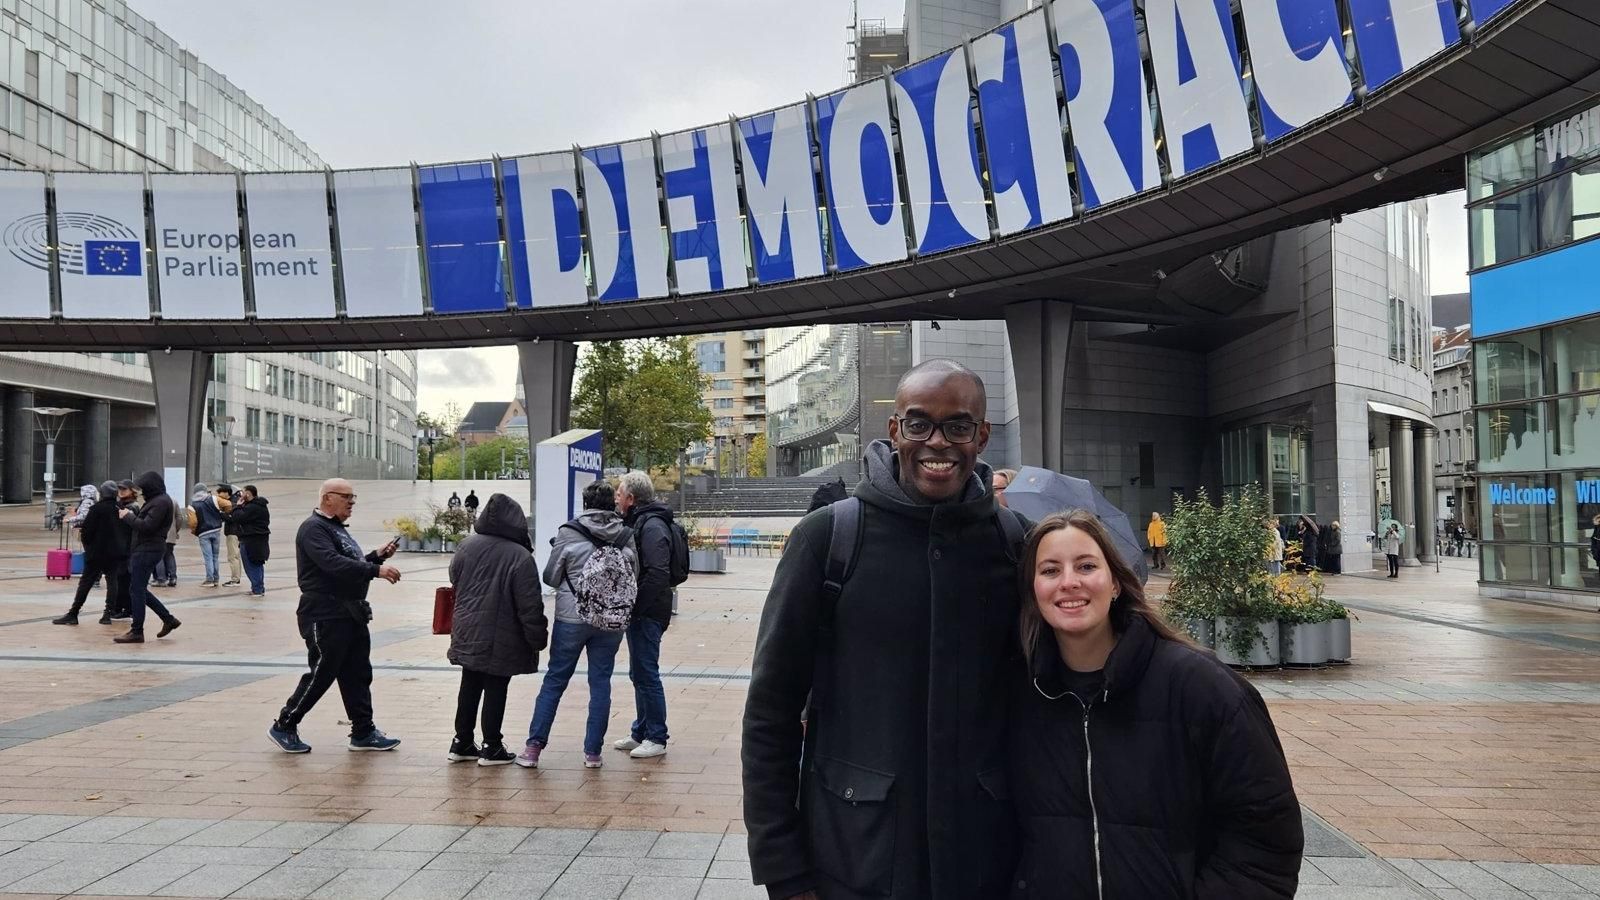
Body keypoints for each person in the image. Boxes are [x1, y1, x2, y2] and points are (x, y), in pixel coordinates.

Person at [744, 359, 1025, 900]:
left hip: (986, 859)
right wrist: (782, 866)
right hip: (854, 858)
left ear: (982, 436)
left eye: (958, 426)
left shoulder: (1016, 545)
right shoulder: (827, 539)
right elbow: (771, 711)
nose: (937, 442)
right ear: (895, 430)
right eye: (919, 424)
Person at [1009, 510, 1303, 898]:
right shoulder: (1021, 695)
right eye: (1049, 570)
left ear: (1115, 582)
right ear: (1032, 590)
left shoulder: (1201, 688)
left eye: (1086, 566)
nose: (1069, 582)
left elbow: (1264, 838)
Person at [267, 478, 403, 754]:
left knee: (357, 673)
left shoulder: (335, 529)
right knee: (322, 672)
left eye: (354, 497)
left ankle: (363, 731)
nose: (352, 502)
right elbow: (331, 564)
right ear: (328, 498)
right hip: (324, 613)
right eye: (347, 497)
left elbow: (349, 564)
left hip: (349, 612)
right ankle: (285, 724)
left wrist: (375, 557)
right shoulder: (313, 529)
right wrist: (374, 571)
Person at [520, 480, 637, 770]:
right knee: (600, 683)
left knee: (555, 680)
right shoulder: (625, 534)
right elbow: (633, 575)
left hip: (571, 618)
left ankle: (533, 749)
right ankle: (593, 753)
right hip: (612, 620)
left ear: (585, 504)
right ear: (612, 504)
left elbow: (550, 576)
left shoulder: (568, 532)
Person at [446, 493, 548, 766]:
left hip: (467, 628)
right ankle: (492, 745)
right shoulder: (520, 556)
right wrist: (538, 637)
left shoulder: (466, 546)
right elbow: (530, 605)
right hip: (503, 633)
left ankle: (461, 741)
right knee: (496, 686)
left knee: (469, 683)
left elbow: (455, 579)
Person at [614, 470, 674, 759]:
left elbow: (658, 572)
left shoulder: (651, 526)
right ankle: (641, 730)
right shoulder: (641, 521)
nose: (616, 497)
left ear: (631, 498)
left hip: (648, 611)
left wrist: (636, 606)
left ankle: (657, 736)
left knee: (647, 673)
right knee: (638, 671)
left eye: (619, 492)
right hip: (643, 610)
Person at [114, 471, 181, 643]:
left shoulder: (160, 502)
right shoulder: (157, 500)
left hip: (148, 549)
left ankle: (137, 631)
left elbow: (147, 526)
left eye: (144, 488)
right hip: (145, 549)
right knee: (138, 589)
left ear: (152, 487)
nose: (142, 492)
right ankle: (168, 619)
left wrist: (128, 517)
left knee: (136, 590)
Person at [54, 482, 123, 626]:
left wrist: (90, 547)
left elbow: (86, 531)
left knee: (86, 582)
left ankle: (73, 613)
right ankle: (108, 614)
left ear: (102, 493)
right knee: (112, 581)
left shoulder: (96, 509)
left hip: (96, 553)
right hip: (115, 553)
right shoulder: (120, 509)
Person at [232, 485, 271, 596]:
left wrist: (238, 506)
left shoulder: (251, 507)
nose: (241, 494)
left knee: (251, 565)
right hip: (259, 539)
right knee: (258, 563)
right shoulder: (261, 505)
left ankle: (257, 589)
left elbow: (237, 517)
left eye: (243, 492)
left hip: (251, 540)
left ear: (248, 494)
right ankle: (258, 588)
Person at [190, 483, 225, 587]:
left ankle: (209, 579)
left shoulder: (193, 504)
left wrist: (194, 531)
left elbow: (192, 522)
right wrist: (222, 516)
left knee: (208, 557)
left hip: (203, 532)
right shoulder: (213, 499)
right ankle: (216, 579)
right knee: (215, 557)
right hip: (216, 530)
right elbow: (228, 505)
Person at [219, 483, 243, 586]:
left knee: (233, 556)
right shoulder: (234, 501)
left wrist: (220, 513)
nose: (219, 494)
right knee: (236, 556)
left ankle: (235, 579)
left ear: (226, 493)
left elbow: (231, 518)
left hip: (233, 532)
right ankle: (236, 578)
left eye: (220, 492)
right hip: (236, 532)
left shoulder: (232, 503)